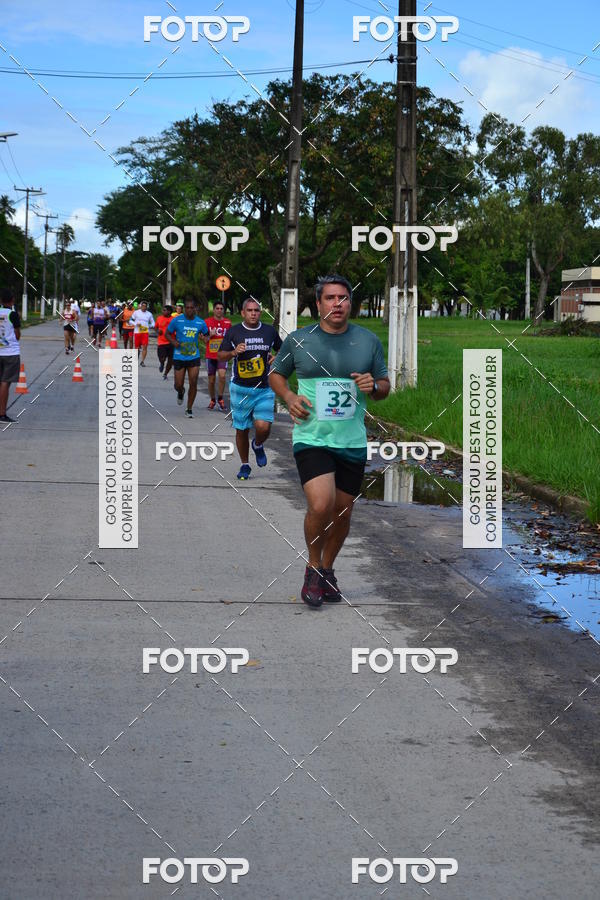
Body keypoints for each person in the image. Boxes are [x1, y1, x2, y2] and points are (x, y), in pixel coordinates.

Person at [270, 274, 390, 609]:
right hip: (312, 437)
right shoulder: (299, 340)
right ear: (318, 303)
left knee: (342, 511)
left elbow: (384, 386)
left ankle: (327, 569)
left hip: (351, 441)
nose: (337, 304)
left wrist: (373, 386)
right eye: (330, 298)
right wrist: (288, 397)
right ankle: (312, 567)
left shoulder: (367, 341)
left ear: (350, 303)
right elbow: (276, 374)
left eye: (343, 298)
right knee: (321, 504)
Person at [218, 297, 282, 480]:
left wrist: (277, 358)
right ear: (243, 313)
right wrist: (233, 352)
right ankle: (245, 465)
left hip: (264, 388)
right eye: (250, 310)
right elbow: (220, 356)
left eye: (256, 310)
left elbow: (283, 350)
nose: (253, 313)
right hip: (240, 389)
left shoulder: (269, 331)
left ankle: (258, 444)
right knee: (242, 429)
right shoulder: (234, 332)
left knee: (263, 426)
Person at [167, 297, 208, 418]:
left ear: (195, 309)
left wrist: (205, 338)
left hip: (194, 356)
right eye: (187, 308)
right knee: (178, 384)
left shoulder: (200, 322)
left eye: (192, 308)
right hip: (179, 356)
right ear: (184, 308)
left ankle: (189, 409)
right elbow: (167, 333)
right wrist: (173, 342)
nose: (189, 310)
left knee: (193, 382)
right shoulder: (177, 320)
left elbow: (206, 335)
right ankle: (181, 392)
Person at [204, 300, 232, 410]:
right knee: (211, 380)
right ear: (214, 310)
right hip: (210, 355)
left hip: (222, 355)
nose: (219, 310)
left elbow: (231, 339)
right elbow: (204, 340)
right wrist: (210, 335)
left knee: (222, 376)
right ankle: (212, 400)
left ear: (223, 310)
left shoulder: (228, 323)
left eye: (221, 309)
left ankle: (220, 399)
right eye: (217, 308)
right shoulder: (207, 322)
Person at [0, 288, 21, 423]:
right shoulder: (12, 314)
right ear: (12, 300)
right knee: (5, 383)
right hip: (10, 353)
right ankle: (2, 414)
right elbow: (17, 334)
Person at [130, 300, 155, 366]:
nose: (144, 307)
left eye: (145, 306)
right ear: (140, 306)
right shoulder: (136, 312)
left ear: (147, 307)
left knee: (145, 347)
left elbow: (153, 323)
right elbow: (130, 321)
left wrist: (149, 326)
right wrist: (136, 324)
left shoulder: (149, 314)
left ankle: (142, 361)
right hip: (137, 332)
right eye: (143, 306)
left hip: (145, 332)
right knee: (137, 348)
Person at [155, 304, 174, 379]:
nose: (162, 311)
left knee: (171, 361)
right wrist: (158, 331)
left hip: (171, 342)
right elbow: (156, 327)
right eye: (163, 310)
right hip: (162, 342)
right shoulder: (159, 318)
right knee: (162, 358)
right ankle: (162, 363)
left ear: (169, 311)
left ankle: (165, 373)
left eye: (164, 310)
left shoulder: (174, 320)